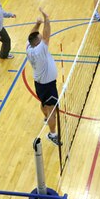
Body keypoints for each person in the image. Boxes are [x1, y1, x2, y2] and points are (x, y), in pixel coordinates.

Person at [26, 8, 61, 146]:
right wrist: (46, 19)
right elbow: (46, 36)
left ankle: (47, 118)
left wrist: (37, 24)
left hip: (40, 84)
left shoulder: (29, 47)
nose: (42, 40)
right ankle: (52, 134)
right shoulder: (40, 49)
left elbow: (31, 35)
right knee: (52, 109)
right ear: (37, 43)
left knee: (44, 104)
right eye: (40, 39)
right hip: (48, 85)